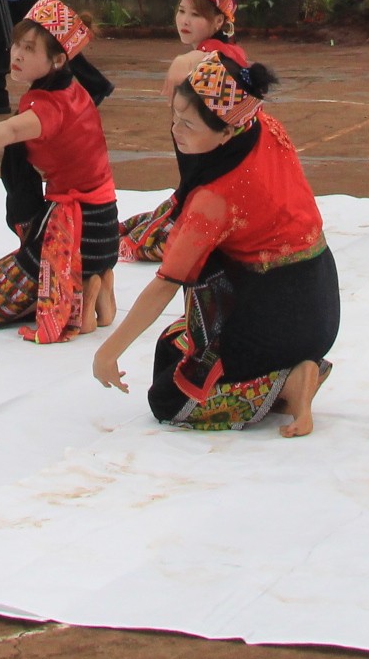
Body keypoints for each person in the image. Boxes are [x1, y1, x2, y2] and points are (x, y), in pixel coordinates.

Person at [93, 56, 338, 435]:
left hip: (282, 313)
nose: (176, 130)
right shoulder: (260, 125)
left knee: (170, 399)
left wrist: (109, 352)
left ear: (224, 133)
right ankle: (288, 367)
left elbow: (165, 283)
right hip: (318, 293)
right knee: (170, 350)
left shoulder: (216, 198)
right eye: (174, 115)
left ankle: (290, 384)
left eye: (188, 124)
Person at [0, 0, 118, 342]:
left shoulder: (50, 106)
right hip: (104, 221)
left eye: (28, 48)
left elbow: (12, 130)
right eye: (16, 45)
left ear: (56, 59)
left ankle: (79, 294)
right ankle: (97, 282)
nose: (17, 55)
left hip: (75, 228)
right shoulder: (72, 86)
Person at [119, 0, 251, 264]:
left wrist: (182, 61)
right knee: (129, 229)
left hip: (218, 188)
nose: (185, 20)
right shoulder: (222, 53)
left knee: (141, 244)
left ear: (219, 22)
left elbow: (208, 58)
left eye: (195, 15)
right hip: (202, 181)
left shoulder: (221, 57)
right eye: (181, 11)